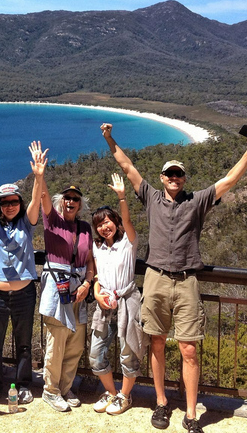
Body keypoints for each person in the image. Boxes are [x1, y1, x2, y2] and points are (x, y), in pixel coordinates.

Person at [101, 122, 247, 433]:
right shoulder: (149, 196)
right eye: (168, 174)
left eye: (178, 174)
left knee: (189, 348)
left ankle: (190, 414)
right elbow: (127, 165)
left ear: (184, 179)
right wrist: (109, 139)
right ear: (162, 178)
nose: (173, 178)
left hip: (187, 280)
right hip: (156, 278)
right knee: (156, 343)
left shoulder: (196, 201)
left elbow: (229, 180)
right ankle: (161, 403)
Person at [0, 143, 47, 407]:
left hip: (23, 294)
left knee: (24, 344)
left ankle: (23, 385)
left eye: (13, 202)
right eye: (5, 202)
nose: (10, 206)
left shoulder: (27, 224)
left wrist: (39, 175)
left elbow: (35, 200)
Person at [37, 139, 97, 413]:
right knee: (57, 340)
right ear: (61, 202)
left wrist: (88, 283)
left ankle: (65, 387)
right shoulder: (52, 220)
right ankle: (50, 390)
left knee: (75, 342)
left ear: (80, 204)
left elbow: (91, 260)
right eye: (67, 198)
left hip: (79, 287)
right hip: (57, 284)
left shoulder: (85, 227)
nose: (70, 202)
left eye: (75, 199)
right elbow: (44, 198)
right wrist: (40, 175)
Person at [89, 173, 147, 416]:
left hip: (128, 301)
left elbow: (128, 219)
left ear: (115, 222)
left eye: (108, 222)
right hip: (104, 304)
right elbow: (96, 275)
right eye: (99, 224)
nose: (104, 227)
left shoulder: (128, 243)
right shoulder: (97, 247)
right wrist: (97, 293)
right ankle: (112, 393)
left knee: (128, 352)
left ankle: (124, 395)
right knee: (95, 353)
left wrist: (122, 198)